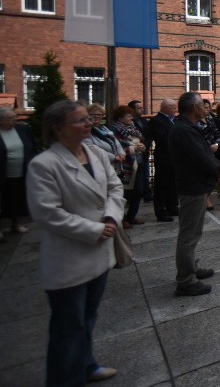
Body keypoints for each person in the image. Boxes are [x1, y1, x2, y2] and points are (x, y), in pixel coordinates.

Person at [27, 100, 125, 384]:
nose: (88, 123)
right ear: (58, 128)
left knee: (88, 316)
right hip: (69, 256)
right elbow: (47, 214)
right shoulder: (44, 164)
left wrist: (111, 217)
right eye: (80, 120)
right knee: (67, 327)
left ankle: (86, 365)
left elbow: (115, 187)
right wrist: (94, 229)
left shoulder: (94, 153)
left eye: (87, 119)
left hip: (100, 250)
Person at [169, 92, 220, 297]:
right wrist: (217, 168)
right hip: (192, 187)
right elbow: (200, 157)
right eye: (202, 105)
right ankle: (185, 279)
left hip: (196, 186)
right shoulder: (184, 131)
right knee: (189, 235)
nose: (205, 108)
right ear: (194, 109)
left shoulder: (186, 127)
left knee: (193, 232)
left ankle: (191, 266)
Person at [0, 107, 38, 239]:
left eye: (15, 117)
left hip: (21, 171)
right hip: (3, 174)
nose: (15, 120)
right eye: (10, 118)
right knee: (2, 201)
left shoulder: (23, 129)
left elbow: (33, 147)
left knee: (17, 199)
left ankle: (15, 224)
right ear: (1, 121)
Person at [108, 105, 147, 228]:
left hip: (138, 163)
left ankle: (132, 216)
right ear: (120, 118)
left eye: (131, 115)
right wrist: (132, 148)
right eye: (128, 116)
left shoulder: (133, 129)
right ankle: (123, 218)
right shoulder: (114, 130)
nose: (131, 117)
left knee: (138, 191)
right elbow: (114, 148)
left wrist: (142, 147)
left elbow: (140, 142)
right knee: (125, 193)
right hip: (125, 166)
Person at [148, 99, 180, 222]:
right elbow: (162, 138)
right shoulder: (156, 121)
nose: (175, 109)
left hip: (175, 157)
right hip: (164, 157)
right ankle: (161, 211)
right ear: (165, 108)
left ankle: (172, 206)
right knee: (161, 184)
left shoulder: (174, 120)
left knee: (173, 183)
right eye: (173, 107)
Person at [128, 100, 153, 204]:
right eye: (139, 108)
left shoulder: (144, 121)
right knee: (136, 175)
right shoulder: (129, 123)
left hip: (145, 151)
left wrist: (146, 144)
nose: (142, 109)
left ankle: (146, 194)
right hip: (134, 153)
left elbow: (150, 134)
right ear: (132, 110)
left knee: (145, 174)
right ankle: (136, 195)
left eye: (142, 107)